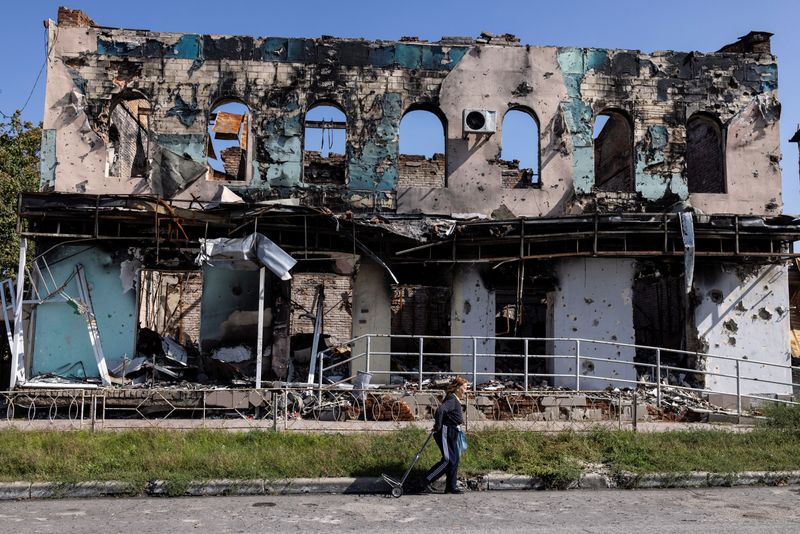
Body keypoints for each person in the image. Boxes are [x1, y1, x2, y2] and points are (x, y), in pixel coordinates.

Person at [421, 376, 468, 494]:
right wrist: (438, 425)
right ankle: (426, 480)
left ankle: (451, 486)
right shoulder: (452, 399)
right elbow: (440, 410)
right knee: (448, 460)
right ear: (457, 388)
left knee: (455, 459)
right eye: (464, 388)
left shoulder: (455, 399)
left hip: (452, 431)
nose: (465, 391)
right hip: (446, 431)